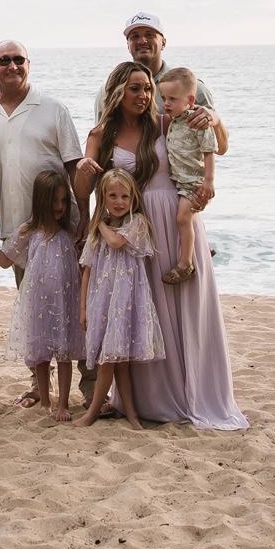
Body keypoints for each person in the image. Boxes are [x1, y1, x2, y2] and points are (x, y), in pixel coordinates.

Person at [77, 62, 248, 430]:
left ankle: (194, 393)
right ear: (117, 92)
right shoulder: (101, 132)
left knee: (184, 306)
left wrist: (215, 117)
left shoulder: (165, 122)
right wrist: (83, 172)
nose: (144, 96)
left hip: (173, 215)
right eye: (135, 89)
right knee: (147, 308)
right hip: (137, 227)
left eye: (147, 89)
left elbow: (220, 147)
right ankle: (149, 398)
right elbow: (85, 191)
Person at [0, 38, 84, 407]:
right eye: (3, 60)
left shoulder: (53, 108)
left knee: (73, 308)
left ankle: (85, 386)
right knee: (35, 310)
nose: (12, 66)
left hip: (62, 228)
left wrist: (84, 220)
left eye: (18, 59)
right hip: (18, 231)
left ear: (29, 64)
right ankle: (39, 387)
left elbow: (74, 166)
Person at [0, 169, 84, 423]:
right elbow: (7, 261)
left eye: (63, 201)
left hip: (65, 301)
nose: (60, 207)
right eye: (54, 201)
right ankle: (46, 401)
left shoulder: (69, 232)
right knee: (40, 352)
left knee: (63, 354)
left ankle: (62, 403)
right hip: (38, 301)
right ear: (41, 201)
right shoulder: (29, 231)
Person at [74, 169, 166, 430]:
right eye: (112, 196)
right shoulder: (96, 233)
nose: (118, 202)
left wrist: (99, 222)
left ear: (133, 198)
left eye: (124, 196)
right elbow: (87, 270)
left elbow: (115, 243)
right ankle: (127, 414)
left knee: (115, 361)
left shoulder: (136, 222)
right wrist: (83, 308)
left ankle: (97, 413)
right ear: (103, 197)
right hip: (103, 301)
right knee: (114, 360)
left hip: (126, 302)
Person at [94, 13, 228, 162]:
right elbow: (101, 146)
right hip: (129, 183)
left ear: (163, 42)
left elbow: (220, 148)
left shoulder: (192, 87)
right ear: (128, 45)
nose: (142, 40)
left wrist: (215, 119)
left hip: (183, 183)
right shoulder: (109, 91)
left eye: (150, 35)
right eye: (135, 36)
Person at [155, 67, 217, 286]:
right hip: (179, 182)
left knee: (183, 218)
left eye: (172, 98)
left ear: (190, 100)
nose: (166, 103)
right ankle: (200, 247)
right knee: (185, 219)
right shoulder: (174, 121)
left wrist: (208, 181)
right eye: (163, 98)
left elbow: (209, 151)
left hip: (194, 182)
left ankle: (186, 264)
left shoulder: (196, 122)